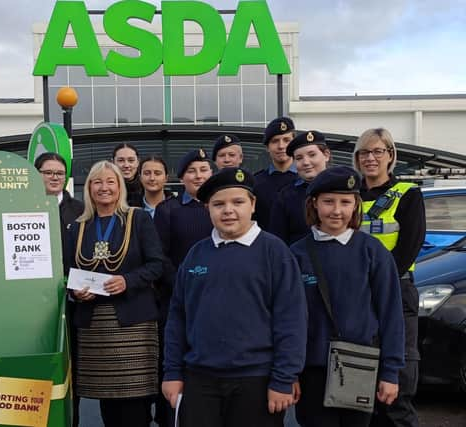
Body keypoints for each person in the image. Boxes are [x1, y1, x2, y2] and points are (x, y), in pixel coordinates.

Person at [162, 167, 307, 427]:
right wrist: (172, 372)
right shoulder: (196, 254)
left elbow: (291, 320)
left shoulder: (275, 252)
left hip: (257, 380)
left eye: (237, 202)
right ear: (208, 209)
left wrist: (283, 379)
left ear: (252, 204)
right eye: (218, 204)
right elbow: (177, 318)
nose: (228, 210)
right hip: (199, 379)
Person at [290, 166, 405, 427]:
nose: (337, 210)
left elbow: (391, 314)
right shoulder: (295, 254)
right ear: (314, 204)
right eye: (328, 202)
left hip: (359, 365)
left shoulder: (372, 252)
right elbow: (285, 319)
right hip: (311, 369)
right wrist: (288, 373)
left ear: (356, 206)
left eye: (346, 202)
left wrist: (390, 372)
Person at [67, 161, 164, 427]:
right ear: (88, 188)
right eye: (97, 182)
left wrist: (127, 280)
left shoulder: (138, 218)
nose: (104, 187)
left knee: (135, 406)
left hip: (133, 323)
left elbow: (157, 264)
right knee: (107, 404)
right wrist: (76, 294)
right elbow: (68, 273)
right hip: (94, 326)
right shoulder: (78, 228)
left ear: (120, 186)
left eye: (111, 181)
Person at [352, 128, 425, 427]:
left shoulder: (408, 194)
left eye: (378, 151)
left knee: (396, 391)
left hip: (396, 291)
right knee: (358, 393)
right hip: (357, 296)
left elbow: (409, 247)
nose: (371, 158)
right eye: (364, 153)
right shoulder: (349, 196)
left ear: (390, 155)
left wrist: (379, 283)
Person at [153, 149, 213, 426]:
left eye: (203, 169)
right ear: (181, 177)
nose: (198, 175)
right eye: (192, 171)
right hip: (179, 300)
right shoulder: (168, 210)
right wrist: (184, 285)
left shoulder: (220, 205)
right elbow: (160, 257)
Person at [33, 151, 84, 426]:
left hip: (74, 300)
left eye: (59, 173)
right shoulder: (23, 206)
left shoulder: (80, 210)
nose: (54, 177)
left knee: (70, 367)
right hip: (34, 304)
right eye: (48, 172)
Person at [268, 131, 331, 245]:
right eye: (299, 158)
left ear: (326, 155)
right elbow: (277, 242)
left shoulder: (344, 191)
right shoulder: (286, 196)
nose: (306, 162)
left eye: (312, 155)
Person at [254, 117, 298, 230]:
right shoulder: (255, 183)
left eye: (286, 140)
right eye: (275, 141)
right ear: (267, 148)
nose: (281, 146)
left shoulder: (306, 180)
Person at [112, 143, 143, 207]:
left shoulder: (147, 188)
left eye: (131, 160)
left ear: (138, 162)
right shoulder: (107, 189)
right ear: (113, 162)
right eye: (121, 160)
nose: (126, 165)